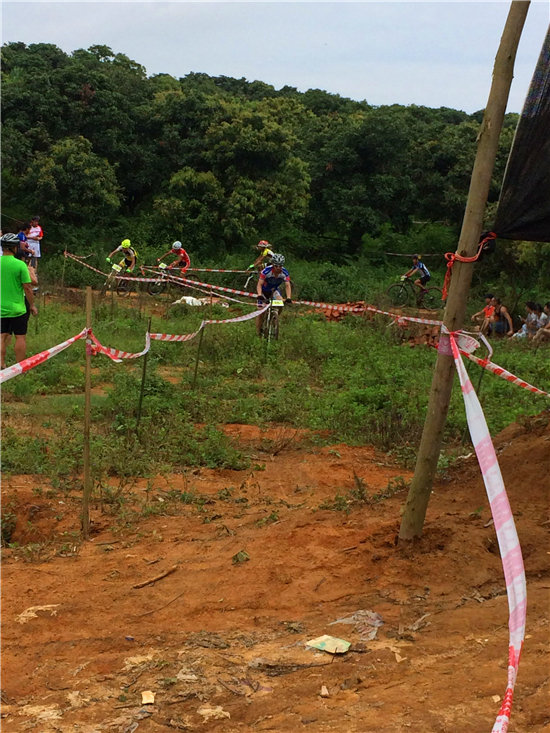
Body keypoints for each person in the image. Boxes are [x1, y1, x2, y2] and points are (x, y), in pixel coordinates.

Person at [1, 233, 38, 368]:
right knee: (20, 337)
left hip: (1, 308)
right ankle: (20, 367)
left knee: (2, 336)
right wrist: (32, 305)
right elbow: (27, 287)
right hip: (18, 308)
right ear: (14, 248)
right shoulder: (20, 265)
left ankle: (1, 364)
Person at [256, 253, 291, 336]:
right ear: (272, 264)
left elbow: (287, 285)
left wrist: (289, 297)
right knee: (260, 312)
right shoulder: (266, 271)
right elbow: (259, 284)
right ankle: (258, 333)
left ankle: (274, 317)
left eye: (280, 266)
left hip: (274, 290)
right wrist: (259, 294)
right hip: (263, 291)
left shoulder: (285, 272)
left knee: (280, 303)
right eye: (276, 266)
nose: (278, 268)